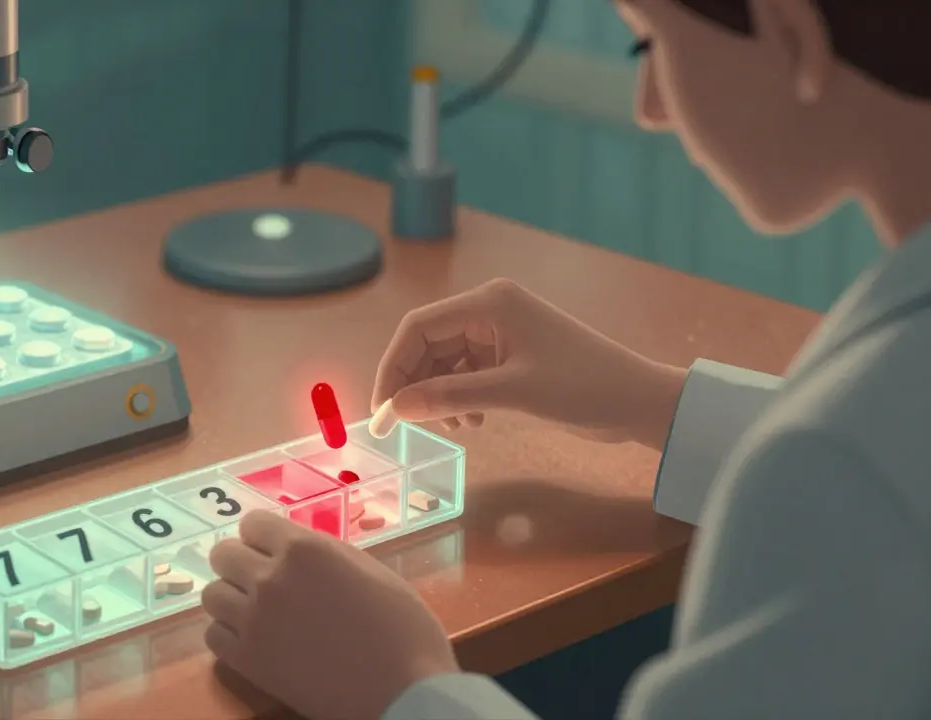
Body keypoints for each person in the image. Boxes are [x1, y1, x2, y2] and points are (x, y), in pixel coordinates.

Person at [200, 0, 931, 718]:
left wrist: (401, 686)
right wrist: (652, 401)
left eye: (649, 47)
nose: (650, 108)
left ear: (789, 31)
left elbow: (858, 473)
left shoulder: (841, 466)